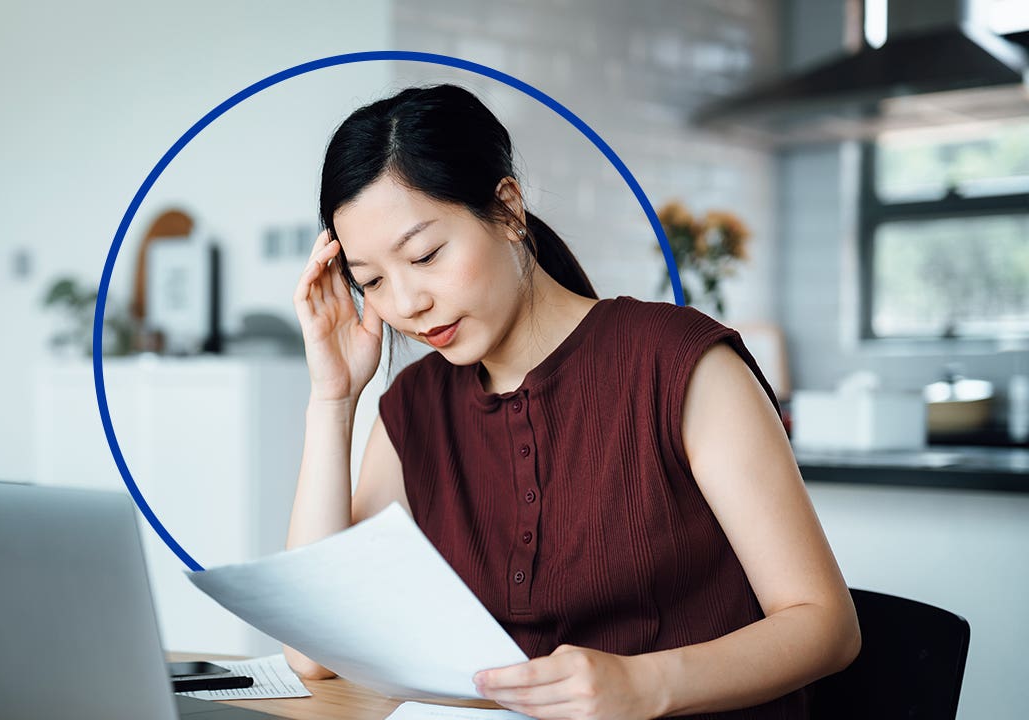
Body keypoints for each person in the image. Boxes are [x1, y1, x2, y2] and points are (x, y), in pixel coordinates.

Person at [284, 84, 860, 720]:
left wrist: (645, 685)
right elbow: (314, 653)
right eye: (371, 282)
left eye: (425, 255)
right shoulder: (413, 409)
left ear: (507, 210)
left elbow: (825, 625)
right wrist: (333, 399)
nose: (405, 304)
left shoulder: (678, 365)